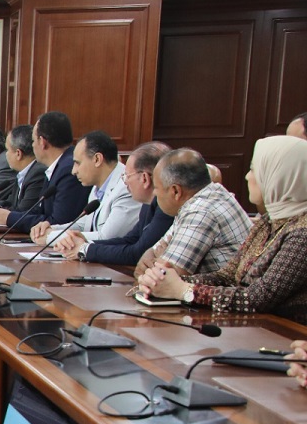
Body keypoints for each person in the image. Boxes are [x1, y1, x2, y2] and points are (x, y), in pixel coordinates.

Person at [138, 135, 307, 323]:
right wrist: (164, 282)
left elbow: (259, 298)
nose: (247, 176)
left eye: (254, 170)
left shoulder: (302, 233)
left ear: (280, 176)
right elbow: (227, 276)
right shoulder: (269, 221)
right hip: (253, 326)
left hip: (284, 332)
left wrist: (185, 290)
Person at [135, 148, 250, 278]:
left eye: (156, 188)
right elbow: (151, 255)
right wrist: (155, 260)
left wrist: (156, 263)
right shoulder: (211, 193)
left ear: (176, 191)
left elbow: (162, 280)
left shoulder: (200, 212)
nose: (154, 194)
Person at [54, 142, 174, 265]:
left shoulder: (166, 208)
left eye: (127, 176)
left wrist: (84, 249)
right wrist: (84, 243)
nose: (125, 182)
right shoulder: (148, 204)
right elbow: (130, 240)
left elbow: (137, 253)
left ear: (144, 179)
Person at [0, 111, 89, 234]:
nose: (32, 146)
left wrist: (9, 218)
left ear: (42, 142)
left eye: (33, 141)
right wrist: (6, 215)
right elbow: (39, 210)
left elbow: (59, 223)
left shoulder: (67, 169)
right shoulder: (58, 165)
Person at [29, 130, 140, 244]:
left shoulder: (126, 188)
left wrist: (50, 237)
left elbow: (106, 238)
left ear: (97, 159)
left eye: (78, 163)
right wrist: (50, 229)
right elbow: (83, 225)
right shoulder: (97, 187)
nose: (73, 171)